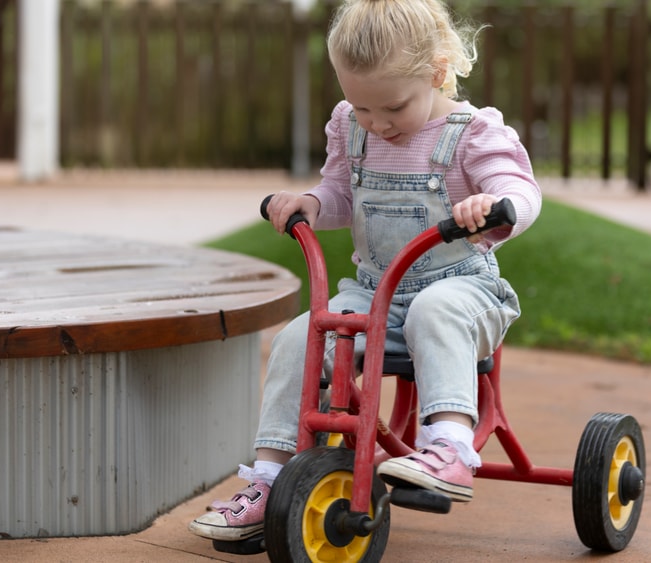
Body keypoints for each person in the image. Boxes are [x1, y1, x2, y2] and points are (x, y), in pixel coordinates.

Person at [189, 0, 541, 542]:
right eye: (363, 107)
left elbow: (521, 191)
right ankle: (272, 478)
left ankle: (449, 446)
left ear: (438, 71)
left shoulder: (473, 133)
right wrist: (309, 201)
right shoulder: (350, 127)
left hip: (464, 290)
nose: (378, 124)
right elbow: (338, 195)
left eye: (393, 109)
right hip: (374, 293)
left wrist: (494, 204)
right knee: (299, 336)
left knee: (434, 308)